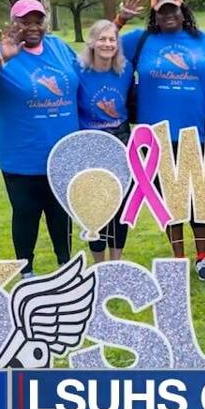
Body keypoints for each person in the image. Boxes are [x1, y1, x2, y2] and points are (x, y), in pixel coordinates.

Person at [0, 0, 78, 279]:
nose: (33, 27)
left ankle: (65, 266)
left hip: (63, 153)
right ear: (14, 23)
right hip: (23, 156)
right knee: (26, 214)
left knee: (61, 214)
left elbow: (86, 75)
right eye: (25, 21)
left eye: (38, 20)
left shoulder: (60, 47)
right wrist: (2, 59)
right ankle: (27, 272)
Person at [115, 0, 205, 280]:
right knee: (169, 200)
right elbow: (103, 46)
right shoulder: (141, 40)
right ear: (155, 15)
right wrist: (120, 20)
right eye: (162, 10)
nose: (169, 14)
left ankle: (202, 256)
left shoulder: (202, 41)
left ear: (182, 10)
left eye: (173, 8)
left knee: (197, 199)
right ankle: (178, 259)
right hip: (155, 135)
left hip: (195, 132)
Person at [75, 19, 133, 263]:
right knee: (93, 207)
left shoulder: (125, 69)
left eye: (112, 39)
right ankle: (99, 265)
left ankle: (115, 262)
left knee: (120, 206)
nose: (107, 44)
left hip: (121, 141)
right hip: (90, 143)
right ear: (91, 43)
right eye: (102, 39)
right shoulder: (77, 70)